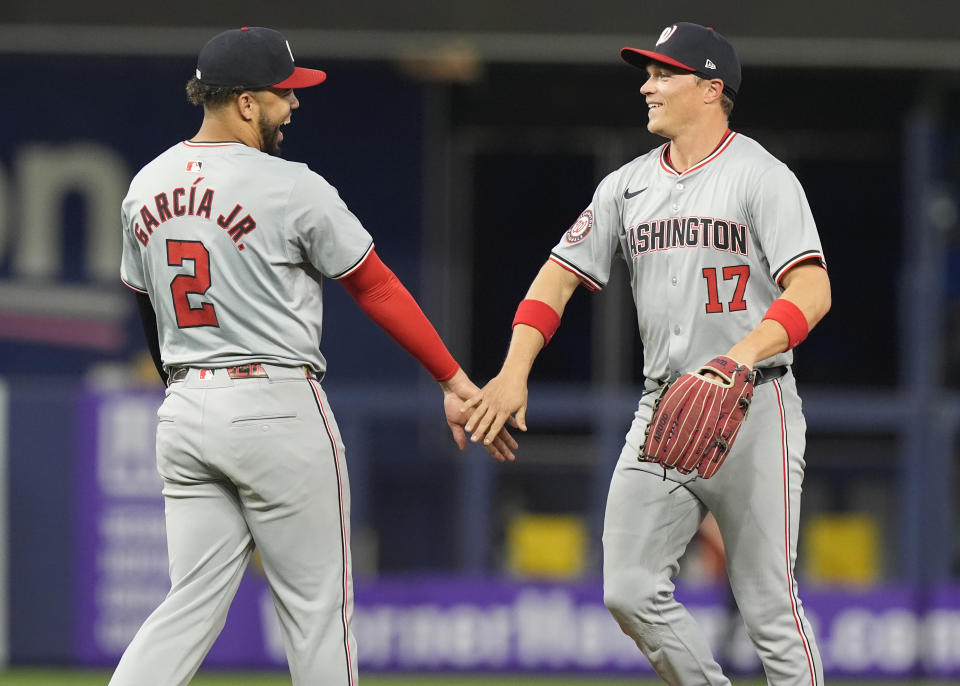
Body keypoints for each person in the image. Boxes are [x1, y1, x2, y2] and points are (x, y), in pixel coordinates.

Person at [113, 26, 514, 686]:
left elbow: (144, 307)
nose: (293, 105)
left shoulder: (146, 185)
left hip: (185, 408)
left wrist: (186, 387)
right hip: (274, 403)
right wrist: (452, 377)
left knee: (186, 607)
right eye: (283, 94)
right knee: (317, 611)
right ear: (245, 102)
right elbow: (375, 285)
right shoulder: (290, 184)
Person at [464, 22, 830, 686]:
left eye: (665, 74)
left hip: (755, 403)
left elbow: (813, 288)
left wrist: (739, 357)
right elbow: (558, 275)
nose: (647, 86)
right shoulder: (625, 187)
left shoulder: (761, 176)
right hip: (665, 406)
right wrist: (513, 371)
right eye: (648, 73)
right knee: (628, 590)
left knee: (769, 608)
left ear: (711, 88)